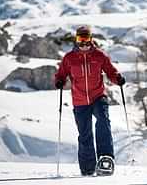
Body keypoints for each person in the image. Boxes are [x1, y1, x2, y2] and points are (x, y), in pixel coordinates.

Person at [54, 25, 126, 176]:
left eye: (86, 40)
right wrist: (59, 81)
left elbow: (111, 71)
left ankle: (105, 159)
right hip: (79, 100)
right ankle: (87, 168)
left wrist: (117, 78)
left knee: (103, 122)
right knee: (85, 133)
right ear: (76, 40)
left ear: (91, 39)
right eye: (81, 40)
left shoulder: (100, 56)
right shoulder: (69, 58)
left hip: (98, 96)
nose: (84, 44)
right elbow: (61, 74)